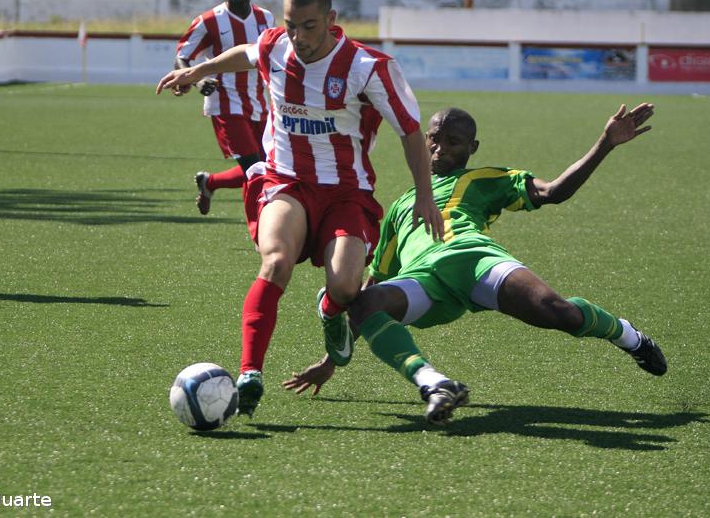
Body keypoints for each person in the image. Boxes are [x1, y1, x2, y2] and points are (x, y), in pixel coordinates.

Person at [157, 0, 444, 416]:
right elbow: (247, 53)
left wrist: (425, 196)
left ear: (331, 20)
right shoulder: (275, 46)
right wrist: (197, 71)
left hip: (347, 192)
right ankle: (250, 373)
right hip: (286, 182)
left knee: (346, 286)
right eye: (291, 25)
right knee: (274, 262)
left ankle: (331, 312)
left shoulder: (367, 67)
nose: (299, 37)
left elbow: (409, 131)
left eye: (309, 27)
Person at [283, 105, 667, 425]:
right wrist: (331, 359)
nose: (439, 148)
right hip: (426, 283)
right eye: (434, 138)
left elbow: (553, 192)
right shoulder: (400, 206)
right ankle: (434, 384)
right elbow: (374, 284)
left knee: (559, 313)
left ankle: (626, 335)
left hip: (476, 262)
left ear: (472, 147)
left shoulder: (485, 178)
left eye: (453, 142)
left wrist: (605, 143)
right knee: (363, 303)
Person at [173, 0, 274, 215]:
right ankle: (260, 226)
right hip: (225, 101)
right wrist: (196, 80)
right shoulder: (208, 21)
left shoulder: (266, 18)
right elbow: (182, 56)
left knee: (267, 167)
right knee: (254, 167)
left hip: (259, 102)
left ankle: (210, 182)